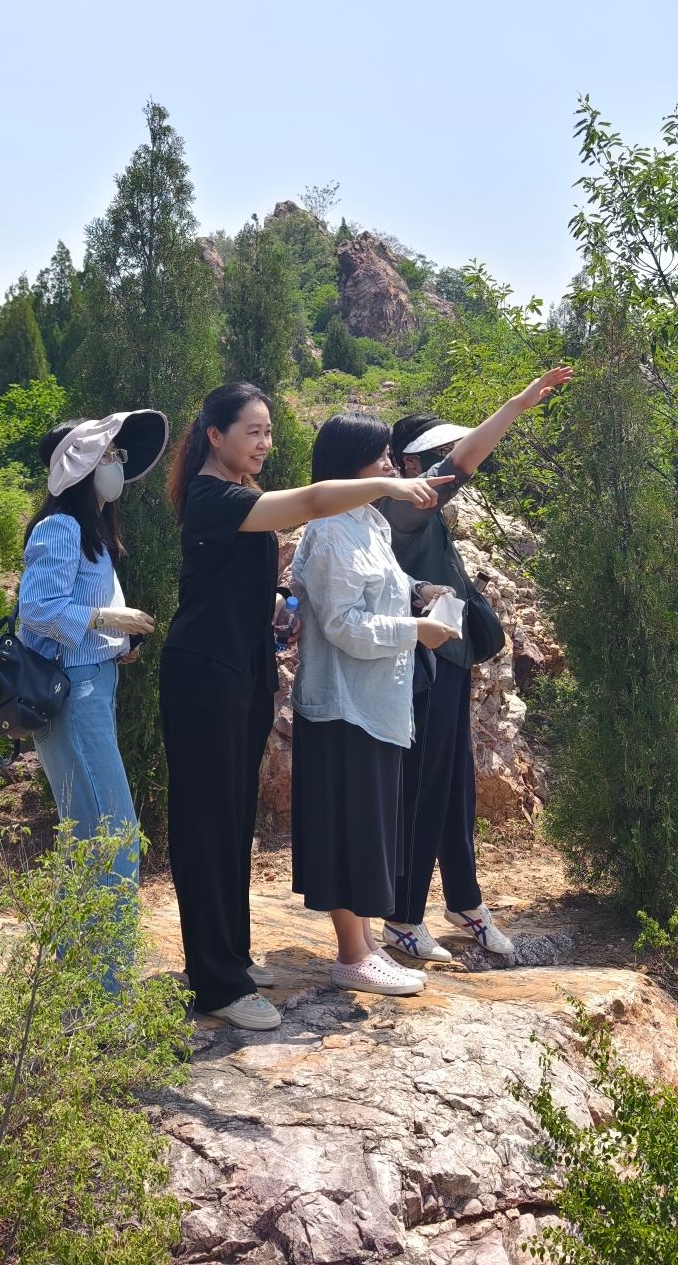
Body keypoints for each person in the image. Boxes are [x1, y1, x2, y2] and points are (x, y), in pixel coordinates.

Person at [160, 382, 452, 1031]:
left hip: (242, 675)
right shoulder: (213, 496)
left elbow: (235, 580)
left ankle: (232, 957)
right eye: (253, 431)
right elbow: (316, 502)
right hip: (203, 679)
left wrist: (275, 607)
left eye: (269, 431)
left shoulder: (240, 495)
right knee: (208, 830)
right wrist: (391, 484)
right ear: (214, 435)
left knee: (234, 826)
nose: (265, 443)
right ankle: (216, 984)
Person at [378, 367, 572, 965]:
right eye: (434, 454)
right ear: (409, 464)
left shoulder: (418, 510)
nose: (447, 461)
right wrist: (515, 404)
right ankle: (403, 918)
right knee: (424, 790)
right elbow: (464, 462)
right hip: (424, 666)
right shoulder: (399, 506)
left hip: (450, 660)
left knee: (455, 788)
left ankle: (464, 902)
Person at [291, 413, 459, 996]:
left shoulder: (366, 520)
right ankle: (350, 954)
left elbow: (382, 583)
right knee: (348, 828)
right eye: (381, 456)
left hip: (375, 702)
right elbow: (342, 624)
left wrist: (420, 591)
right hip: (344, 705)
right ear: (350, 464)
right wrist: (416, 631)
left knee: (368, 826)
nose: (391, 465)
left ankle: (364, 945)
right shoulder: (328, 531)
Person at [16, 409, 169, 989]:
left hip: (89, 683)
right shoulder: (60, 528)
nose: (117, 465)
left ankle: (73, 986)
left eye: (117, 455)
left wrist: (114, 642)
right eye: (107, 455)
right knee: (114, 834)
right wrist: (106, 618)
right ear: (78, 467)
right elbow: (38, 610)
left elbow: (68, 615)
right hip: (75, 693)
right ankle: (105, 993)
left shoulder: (92, 531)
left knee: (87, 834)